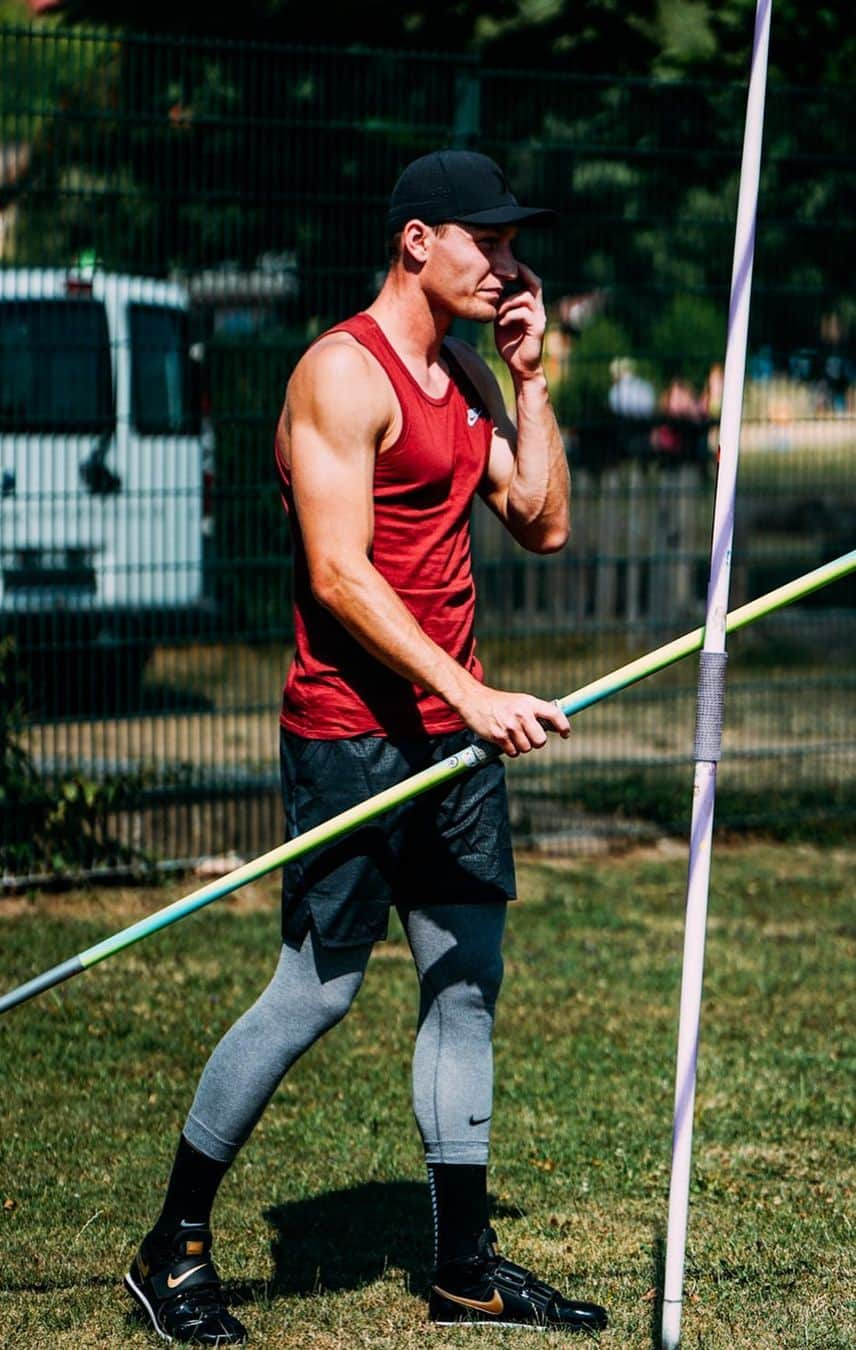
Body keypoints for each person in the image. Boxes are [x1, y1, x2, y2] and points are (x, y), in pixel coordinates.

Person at [124, 148, 608, 1343]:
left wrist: (529, 376)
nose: (505, 264)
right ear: (416, 243)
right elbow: (340, 577)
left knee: (464, 989)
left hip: (454, 738)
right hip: (352, 735)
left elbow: (542, 526)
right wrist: (467, 693)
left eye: (509, 245)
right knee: (317, 993)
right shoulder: (343, 375)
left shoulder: (462, 377)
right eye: (483, 242)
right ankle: (171, 1247)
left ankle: (462, 1269)